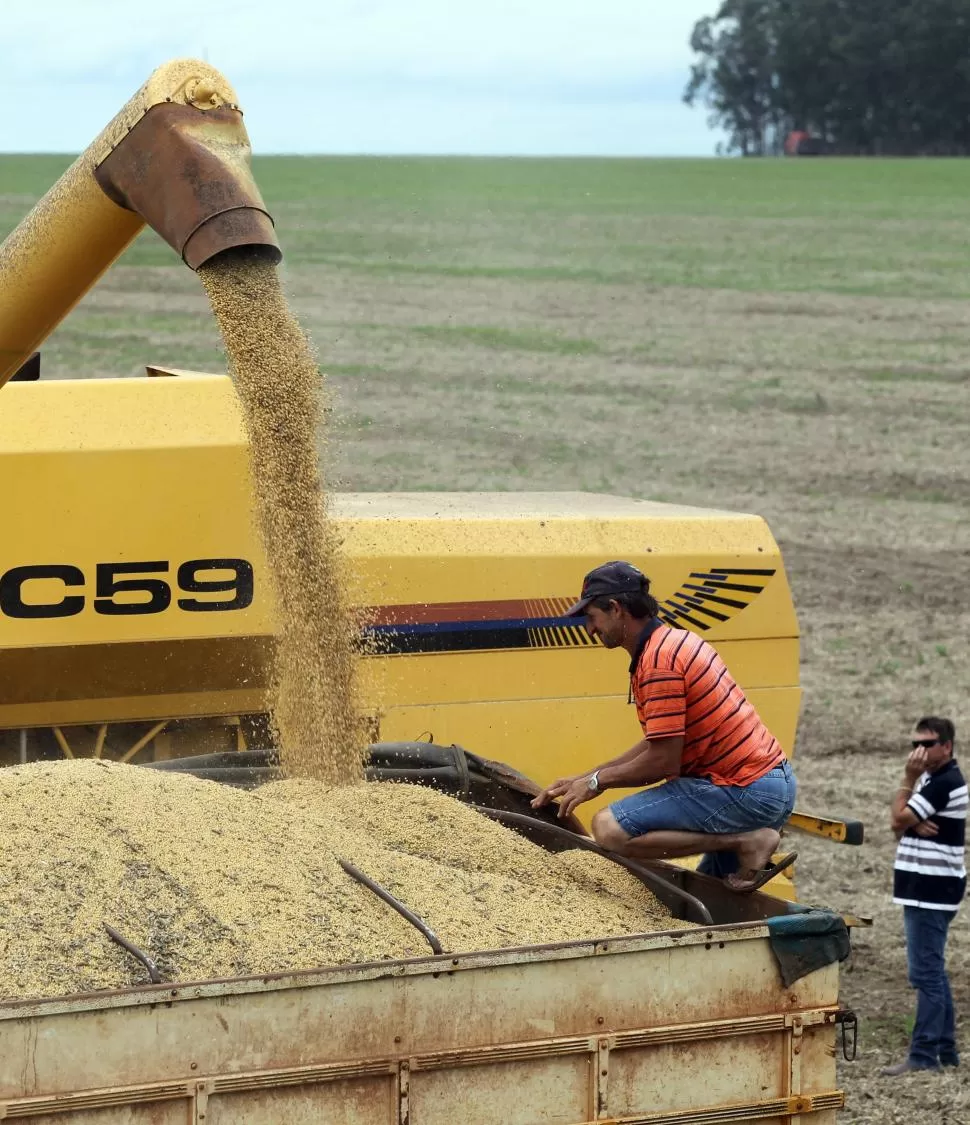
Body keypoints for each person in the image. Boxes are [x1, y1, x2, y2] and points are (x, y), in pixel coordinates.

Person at [531, 561, 797, 892]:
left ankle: (747, 840)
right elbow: (658, 743)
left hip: (742, 790)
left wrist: (597, 783)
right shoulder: (673, 641)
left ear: (615, 609)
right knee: (709, 896)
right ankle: (745, 843)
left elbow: (662, 762)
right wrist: (585, 777)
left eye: (592, 618)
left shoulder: (660, 663)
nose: (590, 629)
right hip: (763, 783)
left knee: (609, 828)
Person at [880, 717, 966, 1076]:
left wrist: (907, 783)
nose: (920, 750)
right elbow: (902, 828)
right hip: (928, 888)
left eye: (928, 744)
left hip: (931, 890)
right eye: (916, 743)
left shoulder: (941, 782)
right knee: (933, 971)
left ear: (947, 746)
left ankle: (924, 1055)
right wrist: (911, 821)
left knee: (925, 974)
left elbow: (896, 821)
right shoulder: (935, 780)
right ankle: (945, 1050)